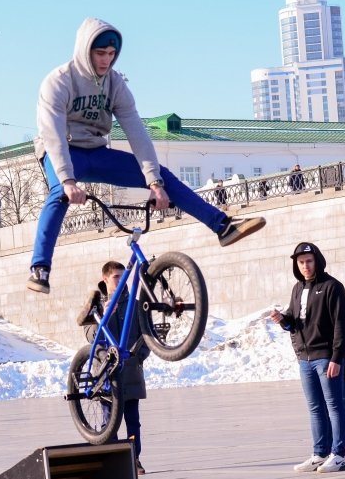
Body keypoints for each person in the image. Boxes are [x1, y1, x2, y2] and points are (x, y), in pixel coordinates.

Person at [27, 18, 265, 294]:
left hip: (95, 151)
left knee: (163, 176)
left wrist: (154, 183)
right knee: (58, 195)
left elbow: (137, 133)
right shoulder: (59, 81)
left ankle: (222, 227)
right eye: (100, 53)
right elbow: (53, 133)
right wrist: (68, 180)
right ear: (85, 50)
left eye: (111, 54)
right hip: (63, 151)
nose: (106, 61)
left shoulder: (115, 84)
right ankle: (40, 268)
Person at [269, 242, 345, 473]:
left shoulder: (332, 286)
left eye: (309, 261)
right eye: (301, 262)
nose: (305, 266)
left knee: (335, 406)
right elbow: (296, 321)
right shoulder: (298, 289)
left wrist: (336, 357)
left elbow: (342, 325)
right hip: (305, 359)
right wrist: (283, 319)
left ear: (317, 260)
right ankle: (320, 453)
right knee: (315, 407)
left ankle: (339, 454)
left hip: (326, 357)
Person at [80, 261, 151, 475]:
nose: (121, 281)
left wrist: (139, 357)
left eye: (123, 276)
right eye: (116, 277)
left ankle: (134, 459)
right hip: (105, 376)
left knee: (133, 421)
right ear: (105, 279)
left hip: (130, 373)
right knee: (108, 423)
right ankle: (113, 462)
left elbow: (147, 336)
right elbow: (90, 336)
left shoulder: (136, 305)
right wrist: (106, 315)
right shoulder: (96, 306)